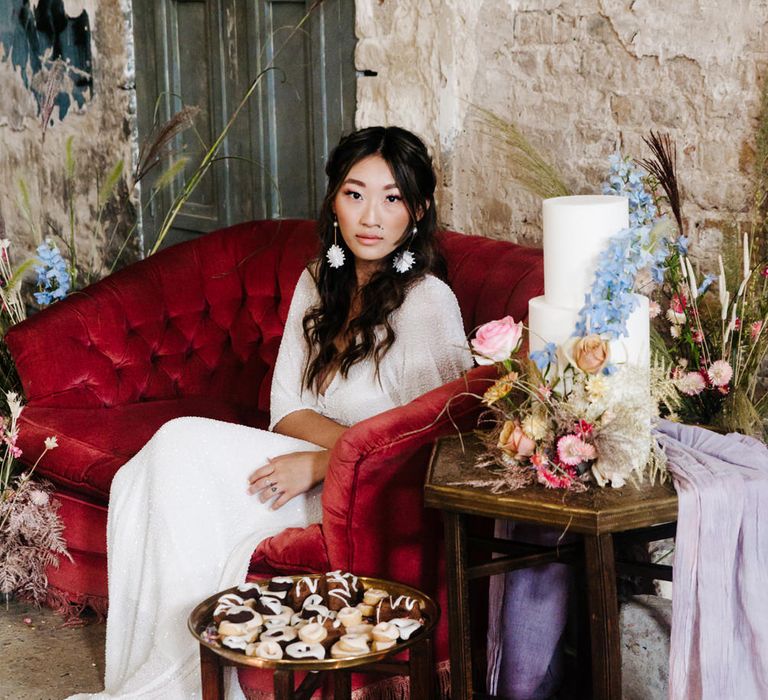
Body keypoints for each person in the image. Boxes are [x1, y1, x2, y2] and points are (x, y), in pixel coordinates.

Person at [67, 126, 473, 699]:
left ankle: (179, 683)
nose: (371, 216)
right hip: (302, 461)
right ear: (333, 200)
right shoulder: (318, 281)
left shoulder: (428, 302)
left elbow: (432, 437)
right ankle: (171, 675)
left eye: (393, 198)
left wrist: (325, 461)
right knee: (163, 460)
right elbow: (285, 407)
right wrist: (313, 454)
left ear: (419, 210)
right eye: (355, 194)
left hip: (360, 491)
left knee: (177, 451)